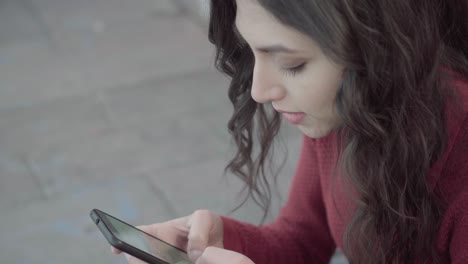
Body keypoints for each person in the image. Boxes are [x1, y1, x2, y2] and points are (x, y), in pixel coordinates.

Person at [114, 0, 468, 263]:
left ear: (376, 47)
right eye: (252, 52)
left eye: (292, 64)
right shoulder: (343, 111)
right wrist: (219, 239)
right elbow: (300, 242)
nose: (259, 90)